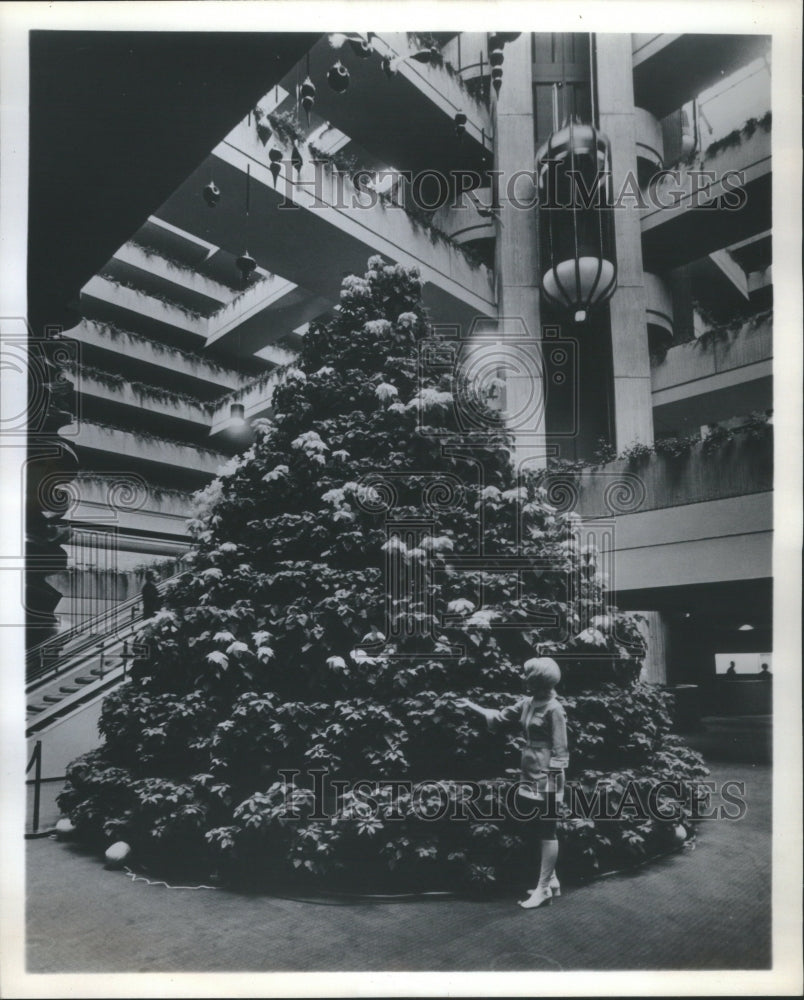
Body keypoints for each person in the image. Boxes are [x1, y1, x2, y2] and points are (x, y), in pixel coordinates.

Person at [457, 656, 569, 910]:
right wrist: (472, 706)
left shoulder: (554, 709)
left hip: (549, 773)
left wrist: (552, 784)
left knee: (547, 828)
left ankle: (543, 890)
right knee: (535, 825)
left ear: (536, 679)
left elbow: (561, 751)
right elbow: (499, 718)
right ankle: (551, 881)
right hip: (529, 770)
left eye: (525, 674)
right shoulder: (528, 703)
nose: (522, 677)